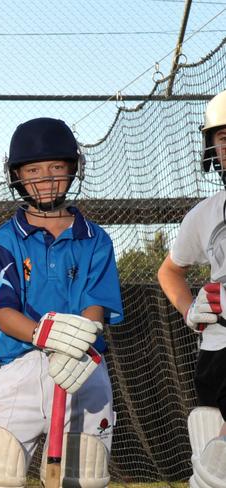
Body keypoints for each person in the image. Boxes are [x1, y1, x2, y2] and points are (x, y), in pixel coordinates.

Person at [0, 117, 123, 488]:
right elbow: (3, 312)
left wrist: (76, 343)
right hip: (22, 364)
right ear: (17, 175)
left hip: (84, 366)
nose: (46, 177)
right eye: (33, 169)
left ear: (73, 169)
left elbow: (95, 306)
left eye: (56, 167)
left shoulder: (96, 240)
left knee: (83, 474)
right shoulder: (2, 241)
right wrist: (46, 335)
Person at [157, 90, 226, 487]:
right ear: (211, 146)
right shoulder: (204, 214)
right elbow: (169, 271)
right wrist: (189, 311)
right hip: (219, 351)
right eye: (225, 137)